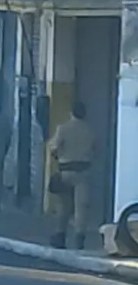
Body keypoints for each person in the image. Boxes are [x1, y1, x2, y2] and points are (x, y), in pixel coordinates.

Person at [49, 102, 95, 250]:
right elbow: (95, 150)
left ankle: (60, 235)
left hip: (66, 171)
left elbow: (54, 148)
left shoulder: (63, 129)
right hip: (83, 172)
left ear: (72, 112)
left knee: (63, 206)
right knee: (81, 207)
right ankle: (79, 238)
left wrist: (58, 156)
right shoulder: (90, 131)